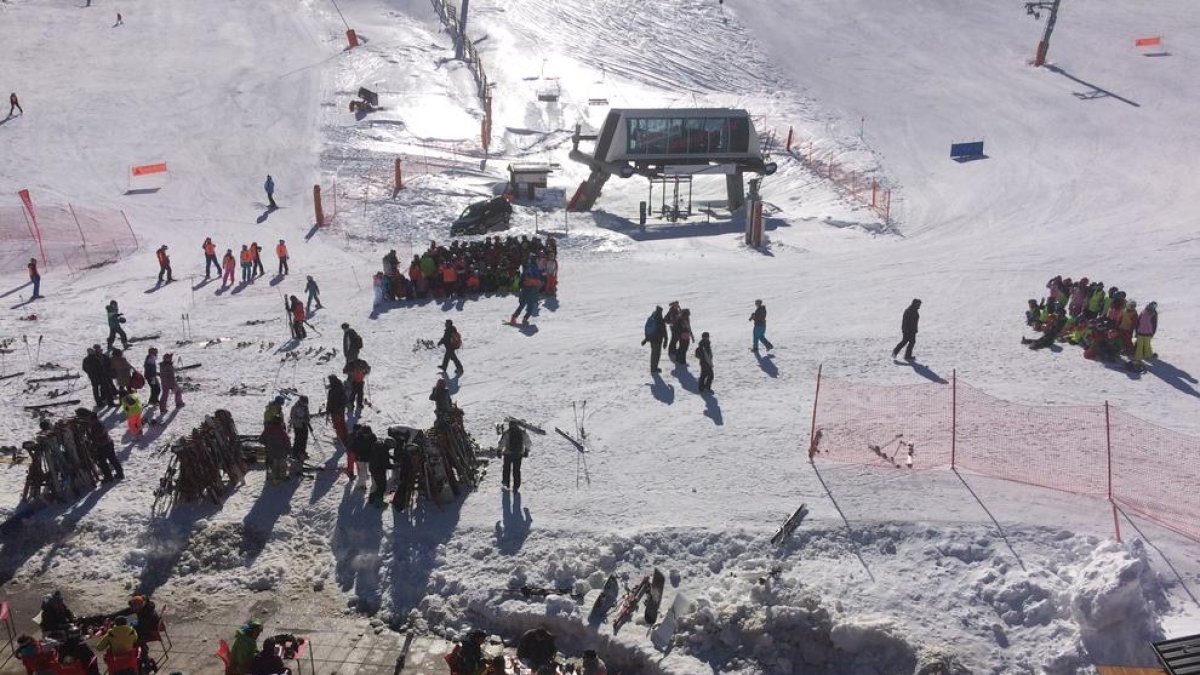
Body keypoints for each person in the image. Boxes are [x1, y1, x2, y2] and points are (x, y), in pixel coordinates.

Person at [77, 407, 123, 481]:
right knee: (112, 459)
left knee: (103, 462)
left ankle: (109, 476)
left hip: (103, 445)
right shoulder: (93, 419)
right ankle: (119, 474)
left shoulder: (93, 423)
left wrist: (93, 442)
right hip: (107, 443)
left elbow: (98, 435)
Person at [262, 397, 291, 483]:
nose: (281, 405)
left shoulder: (279, 410)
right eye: (280, 403)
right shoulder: (269, 411)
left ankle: (278, 475)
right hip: (271, 435)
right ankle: (270, 475)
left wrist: (282, 426)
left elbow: (281, 420)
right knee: (271, 459)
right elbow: (267, 423)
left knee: (277, 459)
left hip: (277, 432)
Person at [497, 419, 530, 492]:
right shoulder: (522, 432)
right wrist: (526, 450)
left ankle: (506, 484)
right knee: (516, 471)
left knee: (506, 469)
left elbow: (502, 442)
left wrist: (499, 450)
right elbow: (528, 442)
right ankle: (516, 486)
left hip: (508, 454)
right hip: (518, 454)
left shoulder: (508, 432)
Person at [349, 424, 376, 492]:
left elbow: (375, 446)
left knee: (373, 471)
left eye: (367, 434)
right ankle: (362, 485)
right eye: (364, 434)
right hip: (360, 458)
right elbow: (352, 447)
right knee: (362, 473)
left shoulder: (373, 438)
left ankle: (374, 485)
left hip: (370, 457)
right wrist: (357, 454)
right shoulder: (358, 438)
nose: (366, 435)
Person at [642, 306, 668, 374]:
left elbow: (648, 328)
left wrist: (646, 339)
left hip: (652, 339)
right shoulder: (660, 319)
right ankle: (654, 368)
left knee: (653, 354)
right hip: (657, 340)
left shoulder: (652, 317)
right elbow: (664, 331)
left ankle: (653, 367)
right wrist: (666, 340)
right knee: (656, 355)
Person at [326, 374, 349, 451]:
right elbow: (345, 399)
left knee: (337, 425)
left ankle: (341, 439)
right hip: (341, 410)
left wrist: (328, 410)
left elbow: (330, 402)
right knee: (342, 423)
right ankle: (346, 437)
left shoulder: (332, 391)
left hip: (335, 411)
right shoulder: (340, 387)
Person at [1133, 301, 1158, 367]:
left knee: (1144, 345)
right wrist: (1137, 330)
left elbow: (1154, 325)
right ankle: (1141, 357)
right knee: (1142, 345)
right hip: (1143, 332)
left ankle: (1144, 356)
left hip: (1145, 332)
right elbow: (1139, 321)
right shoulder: (1146, 312)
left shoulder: (1149, 313)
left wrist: (1152, 332)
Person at [289, 395, 312, 463]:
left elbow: (307, 414)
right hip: (298, 426)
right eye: (304, 402)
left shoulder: (305, 407)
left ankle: (302, 452)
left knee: (304, 439)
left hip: (304, 425)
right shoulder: (295, 407)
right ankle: (295, 453)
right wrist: (301, 420)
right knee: (298, 439)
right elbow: (293, 418)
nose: (306, 404)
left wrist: (307, 419)